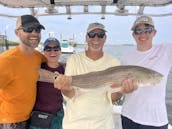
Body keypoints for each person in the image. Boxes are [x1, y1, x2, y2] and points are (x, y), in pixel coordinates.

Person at [54, 22, 137, 129]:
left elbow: (112, 98)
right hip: (75, 124)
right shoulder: (74, 59)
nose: (96, 38)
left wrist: (122, 90)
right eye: (92, 35)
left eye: (100, 35)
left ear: (105, 38)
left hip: (103, 124)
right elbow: (69, 95)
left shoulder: (114, 62)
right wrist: (64, 87)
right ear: (86, 38)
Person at [121, 15, 172, 129]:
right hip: (128, 115)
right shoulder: (126, 56)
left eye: (148, 30)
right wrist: (124, 90)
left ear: (154, 32)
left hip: (155, 121)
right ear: (133, 35)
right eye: (138, 31)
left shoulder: (166, 50)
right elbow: (121, 86)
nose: (143, 34)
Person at [0, 15, 45, 129]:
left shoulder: (38, 56)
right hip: (10, 120)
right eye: (28, 29)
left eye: (37, 29)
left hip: (30, 116)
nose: (34, 33)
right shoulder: (6, 60)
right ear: (17, 32)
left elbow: (54, 65)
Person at [29, 38, 64, 129]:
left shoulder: (65, 70)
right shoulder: (37, 67)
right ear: (44, 52)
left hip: (57, 115)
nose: (52, 52)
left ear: (60, 51)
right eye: (48, 49)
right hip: (38, 116)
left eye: (56, 49)